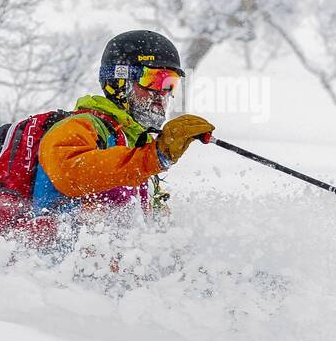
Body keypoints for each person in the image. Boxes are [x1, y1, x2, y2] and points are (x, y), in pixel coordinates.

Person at [30, 30, 214, 233]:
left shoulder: (136, 144)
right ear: (119, 81)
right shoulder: (80, 126)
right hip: (56, 260)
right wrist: (155, 157)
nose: (162, 94)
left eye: (170, 83)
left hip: (114, 262)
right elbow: (69, 174)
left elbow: (156, 231)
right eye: (153, 80)